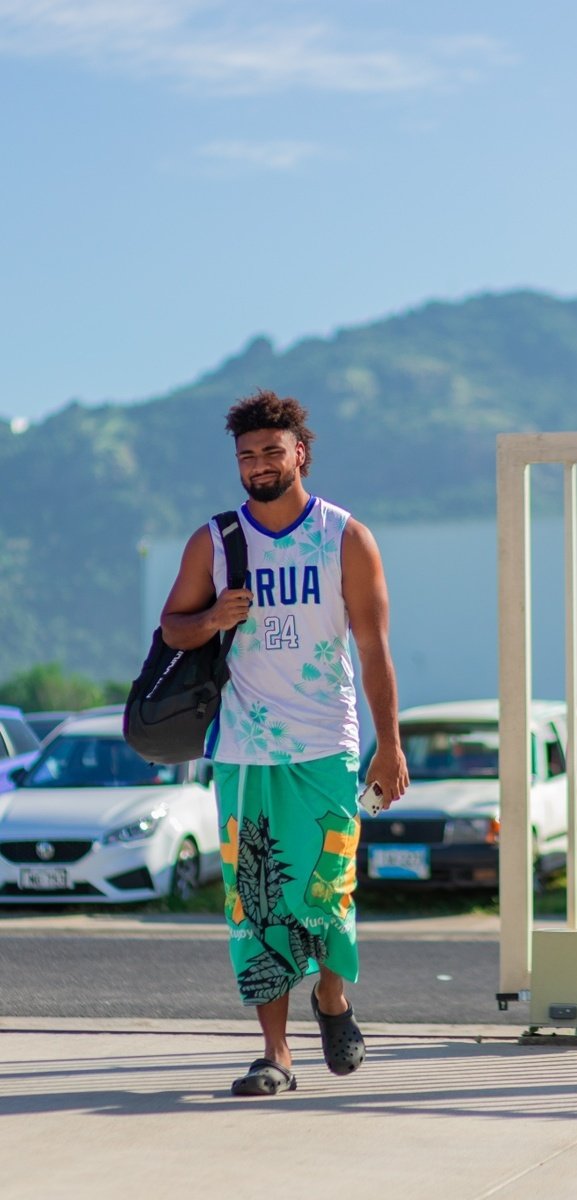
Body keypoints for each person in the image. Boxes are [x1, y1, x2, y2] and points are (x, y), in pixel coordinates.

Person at [161, 390, 408, 1096]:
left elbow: (374, 649)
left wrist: (388, 745)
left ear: (300, 451)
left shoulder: (344, 537)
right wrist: (211, 617)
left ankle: (331, 998)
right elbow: (172, 628)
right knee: (255, 899)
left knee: (327, 890)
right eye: (247, 455)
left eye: (272, 451)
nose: (259, 465)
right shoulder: (216, 540)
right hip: (241, 747)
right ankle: (276, 1055)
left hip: (326, 744)